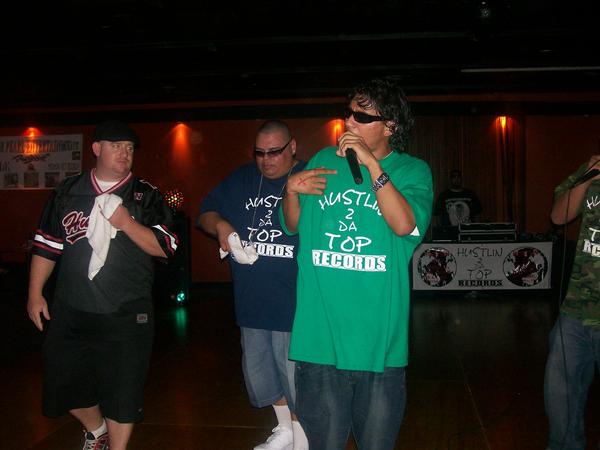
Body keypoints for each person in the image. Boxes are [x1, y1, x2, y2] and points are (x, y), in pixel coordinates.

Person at [281, 77, 433, 450]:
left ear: (390, 125)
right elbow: (294, 224)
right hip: (320, 343)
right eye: (348, 113)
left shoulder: (413, 171)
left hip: (379, 345)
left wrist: (371, 165)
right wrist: (291, 191)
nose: (349, 122)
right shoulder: (323, 160)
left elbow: (405, 225)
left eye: (361, 116)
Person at [27, 120, 178, 450]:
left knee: (123, 390)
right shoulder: (68, 191)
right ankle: (97, 431)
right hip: (71, 306)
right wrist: (35, 293)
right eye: (116, 146)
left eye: (129, 148)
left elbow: (165, 248)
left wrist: (126, 222)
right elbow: (47, 245)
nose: (124, 153)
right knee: (62, 380)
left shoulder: (145, 195)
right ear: (96, 149)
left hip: (127, 309)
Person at [197, 120, 308, 450]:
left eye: (274, 152)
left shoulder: (309, 177)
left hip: (295, 303)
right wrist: (221, 225)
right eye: (259, 153)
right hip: (252, 302)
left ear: (292, 147)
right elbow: (206, 212)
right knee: (262, 376)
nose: (266, 160)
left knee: (296, 379)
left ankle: (304, 439)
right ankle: (285, 430)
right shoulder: (242, 178)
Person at [544, 155, 600, 450]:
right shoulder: (589, 170)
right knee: (560, 398)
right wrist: (589, 177)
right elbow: (558, 216)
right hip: (576, 310)